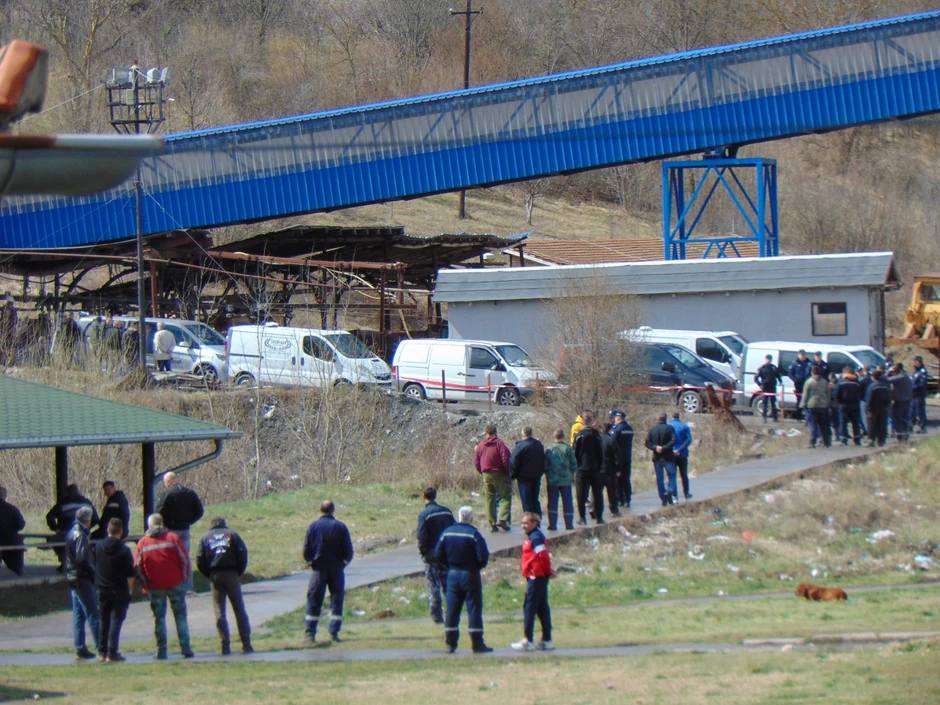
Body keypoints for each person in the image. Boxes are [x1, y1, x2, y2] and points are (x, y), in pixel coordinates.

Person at [135, 513, 194, 660]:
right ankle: (185, 648)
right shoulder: (173, 538)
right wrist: (184, 579)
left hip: (155, 586)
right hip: (176, 583)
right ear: (162, 523)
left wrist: (145, 585)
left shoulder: (143, 543)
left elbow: (138, 567)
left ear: (149, 525)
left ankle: (162, 650)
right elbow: (185, 560)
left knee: (159, 619)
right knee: (180, 617)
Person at [435, 506, 492, 654]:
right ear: (471, 519)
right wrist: (475, 567)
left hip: (452, 574)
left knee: (452, 609)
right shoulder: (474, 534)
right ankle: (477, 643)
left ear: (458, 517)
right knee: (473, 608)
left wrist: (449, 566)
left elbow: (438, 554)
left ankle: (450, 643)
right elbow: (483, 557)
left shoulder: (446, 533)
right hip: (470, 574)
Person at [196, 517, 253, 655]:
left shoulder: (205, 537)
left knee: (219, 611)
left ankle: (225, 645)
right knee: (239, 608)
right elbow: (243, 553)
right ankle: (246, 643)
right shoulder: (232, 535)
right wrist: (239, 571)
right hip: (232, 573)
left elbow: (199, 558)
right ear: (224, 524)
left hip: (215, 575)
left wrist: (208, 573)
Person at [303, 500, 354, 644]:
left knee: (314, 600)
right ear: (333, 511)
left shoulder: (313, 527)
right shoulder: (340, 527)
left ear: (320, 510)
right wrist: (342, 564)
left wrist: (311, 562)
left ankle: (310, 633)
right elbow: (349, 551)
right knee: (336, 600)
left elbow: (306, 549)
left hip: (318, 569)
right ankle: (334, 632)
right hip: (336, 570)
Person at [510, 512, 555, 652]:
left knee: (529, 607)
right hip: (534, 576)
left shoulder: (536, 537)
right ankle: (547, 639)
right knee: (541, 608)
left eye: (526, 523)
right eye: (522, 523)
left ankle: (527, 640)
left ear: (534, 524)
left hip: (537, 577)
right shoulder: (532, 537)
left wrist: (548, 571)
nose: (523, 526)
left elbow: (543, 556)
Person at [95, 518, 136, 663]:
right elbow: (130, 574)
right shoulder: (124, 550)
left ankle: (101, 652)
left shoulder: (98, 546)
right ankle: (112, 653)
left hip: (102, 589)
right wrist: (130, 590)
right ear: (121, 532)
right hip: (119, 590)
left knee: (104, 622)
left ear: (108, 530)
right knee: (116, 622)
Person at [156, 472, 204, 593]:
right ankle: (188, 588)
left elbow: (158, 512)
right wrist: (189, 521)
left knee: (171, 559)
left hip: (171, 530)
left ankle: (172, 587)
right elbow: (199, 511)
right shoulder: (190, 493)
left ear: (168, 482)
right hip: (185, 529)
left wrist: (163, 526)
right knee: (185, 558)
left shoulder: (166, 494)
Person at [416, 487, 455, 624]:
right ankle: (452, 612)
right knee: (448, 585)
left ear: (424, 496)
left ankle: (436, 615)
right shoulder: (446, 511)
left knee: (433, 585)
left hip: (431, 555)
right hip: (446, 554)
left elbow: (422, 536)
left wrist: (423, 551)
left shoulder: (424, 514)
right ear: (436, 495)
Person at [65, 506, 100, 659]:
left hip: (73, 577)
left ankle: (80, 646)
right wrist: (92, 573)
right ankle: (102, 646)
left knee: (79, 614)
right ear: (88, 520)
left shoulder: (71, 532)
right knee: (92, 612)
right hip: (81, 577)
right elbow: (81, 559)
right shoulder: (81, 535)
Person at [46, 484, 98, 570]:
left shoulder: (63, 503)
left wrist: (55, 528)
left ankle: (64, 563)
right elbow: (96, 519)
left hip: (66, 532)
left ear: (67, 493)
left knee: (55, 542)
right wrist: (87, 528)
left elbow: (50, 516)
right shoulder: (87, 503)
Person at [474, 424, 512, 532]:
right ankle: (502, 518)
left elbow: (476, 461)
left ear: (486, 433)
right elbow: (505, 458)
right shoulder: (499, 443)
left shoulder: (481, 445)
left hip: (486, 474)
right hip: (499, 472)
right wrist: (505, 470)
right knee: (505, 496)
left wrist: (481, 471)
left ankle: (492, 524)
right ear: (495, 432)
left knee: (489, 499)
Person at [573, 412, 606, 525]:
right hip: (595, 467)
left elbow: (575, 453)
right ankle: (599, 517)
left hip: (582, 468)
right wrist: (600, 465)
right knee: (597, 493)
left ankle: (582, 517)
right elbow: (601, 452)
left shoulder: (579, 436)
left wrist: (575, 467)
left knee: (581, 494)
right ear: (591, 421)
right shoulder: (596, 435)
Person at [543, 429, 576, 531]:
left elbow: (545, 465)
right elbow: (574, 464)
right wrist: (572, 474)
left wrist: (547, 474)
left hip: (552, 480)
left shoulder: (549, 449)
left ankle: (552, 524)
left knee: (552, 502)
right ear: (563, 436)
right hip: (566, 480)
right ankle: (569, 524)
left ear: (554, 437)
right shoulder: (568, 449)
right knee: (567, 502)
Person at [509, 427, 546, 516]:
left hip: (523, 477)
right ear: (531, 433)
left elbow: (513, 461)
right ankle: (537, 519)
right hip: (536, 476)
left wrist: (513, 474)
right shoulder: (538, 445)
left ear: (523, 434)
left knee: (526, 501)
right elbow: (543, 459)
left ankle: (529, 519)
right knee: (535, 499)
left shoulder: (520, 446)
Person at [645, 413, 678, 506]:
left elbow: (647, 443)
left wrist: (655, 448)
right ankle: (670, 491)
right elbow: (674, 440)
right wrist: (664, 447)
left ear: (657, 419)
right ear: (665, 419)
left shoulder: (652, 429)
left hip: (657, 457)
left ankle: (663, 497)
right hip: (668, 457)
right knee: (672, 476)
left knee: (660, 478)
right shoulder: (669, 428)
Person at [800, 366, 832, 448]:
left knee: (813, 424)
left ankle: (812, 442)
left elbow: (805, 394)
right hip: (823, 405)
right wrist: (828, 404)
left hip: (812, 405)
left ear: (812, 373)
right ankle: (827, 442)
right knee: (824, 425)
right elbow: (828, 394)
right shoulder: (824, 382)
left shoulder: (809, 382)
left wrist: (802, 404)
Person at [610, 411, 634, 508]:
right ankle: (628, 498)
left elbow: (612, 442)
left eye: (615, 417)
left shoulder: (616, 429)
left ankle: (620, 499)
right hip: (627, 457)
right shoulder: (630, 428)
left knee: (618, 479)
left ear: (619, 418)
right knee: (626, 479)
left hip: (618, 458)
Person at [668, 411, 694, 501]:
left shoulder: (668, 426)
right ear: (678, 417)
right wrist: (680, 449)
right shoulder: (684, 426)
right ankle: (686, 493)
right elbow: (689, 440)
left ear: (671, 417)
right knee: (684, 474)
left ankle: (674, 495)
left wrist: (672, 450)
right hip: (682, 454)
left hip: (670, 454)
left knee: (672, 475)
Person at [0, 486, 25, 576]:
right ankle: (18, 571)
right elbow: (21, 525)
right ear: (5, 496)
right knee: (16, 567)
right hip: (11, 541)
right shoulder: (12, 509)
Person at [834, 366, 862, 446]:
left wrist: (839, 402)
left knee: (843, 422)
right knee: (855, 423)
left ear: (845, 373)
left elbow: (836, 394)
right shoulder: (857, 382)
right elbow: (860, 393)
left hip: (843, 405)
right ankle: (857, 439)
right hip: (854, 405)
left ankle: (843, 439)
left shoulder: (841, 382)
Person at [599, 422, 622, 518]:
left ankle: (594, 509)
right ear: (610, 430)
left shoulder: (597, 439)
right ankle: (614, 510)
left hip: (598, 470)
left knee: (596, 491)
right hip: (610, 470)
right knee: (612, 491)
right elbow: (617, 456)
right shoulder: (611, 440)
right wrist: (618, 469)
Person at [865, 369, 892, 447]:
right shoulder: (885, 386)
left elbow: (869, 398)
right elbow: (889, 397)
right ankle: (881, 440)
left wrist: (868, 408)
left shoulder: (872, 386)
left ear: (873, 377)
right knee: (882, 424)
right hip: (883, 407)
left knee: (872, 424)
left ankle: (871, 440)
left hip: (873, 408)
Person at [887, 362, 913, 442]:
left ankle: (900, 436)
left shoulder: (899, 377)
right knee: (905, 418)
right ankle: (905, 435)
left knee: (897, 418)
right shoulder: (907, 376)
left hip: (899, 401)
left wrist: (888, 372)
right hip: (907, 400)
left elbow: (885, 379)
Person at [754, 354, 782, 423]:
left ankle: (775, 418)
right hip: (765, 387)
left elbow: (778, 376)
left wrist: (780, 381)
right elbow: (756, 377)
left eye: (770, 359)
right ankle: (764, 418)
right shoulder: (762, 368)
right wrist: (760, 384)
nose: (769, 361)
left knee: (773, 403)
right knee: (765, 403)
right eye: (768, 359)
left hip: (772, 387)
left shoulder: (774, 368)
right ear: (765, 359)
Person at [788, 350, 813, 419]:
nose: (802, 356)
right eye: (801, 355)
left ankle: (807, 416)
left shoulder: (809, 363)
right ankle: (799, 416)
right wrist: (795, 379)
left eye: (804, 355)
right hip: (798, 384)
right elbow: (790, 373)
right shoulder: (794, 363)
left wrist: (808, 380)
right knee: (799, 400)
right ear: (798, 355)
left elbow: (812, 373)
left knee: (807, 399)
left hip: (807, 384)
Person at [911, 356, 929, 434]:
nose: (916, 363)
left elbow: (922, 383)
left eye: (917, 362)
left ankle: (922, 427)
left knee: (920, 411)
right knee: (913, 410)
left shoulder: (922, 371)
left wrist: (913, 387)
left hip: (919, 394)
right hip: (914, 395)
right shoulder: (916, 371)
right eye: (915, 362)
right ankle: (914, 425)